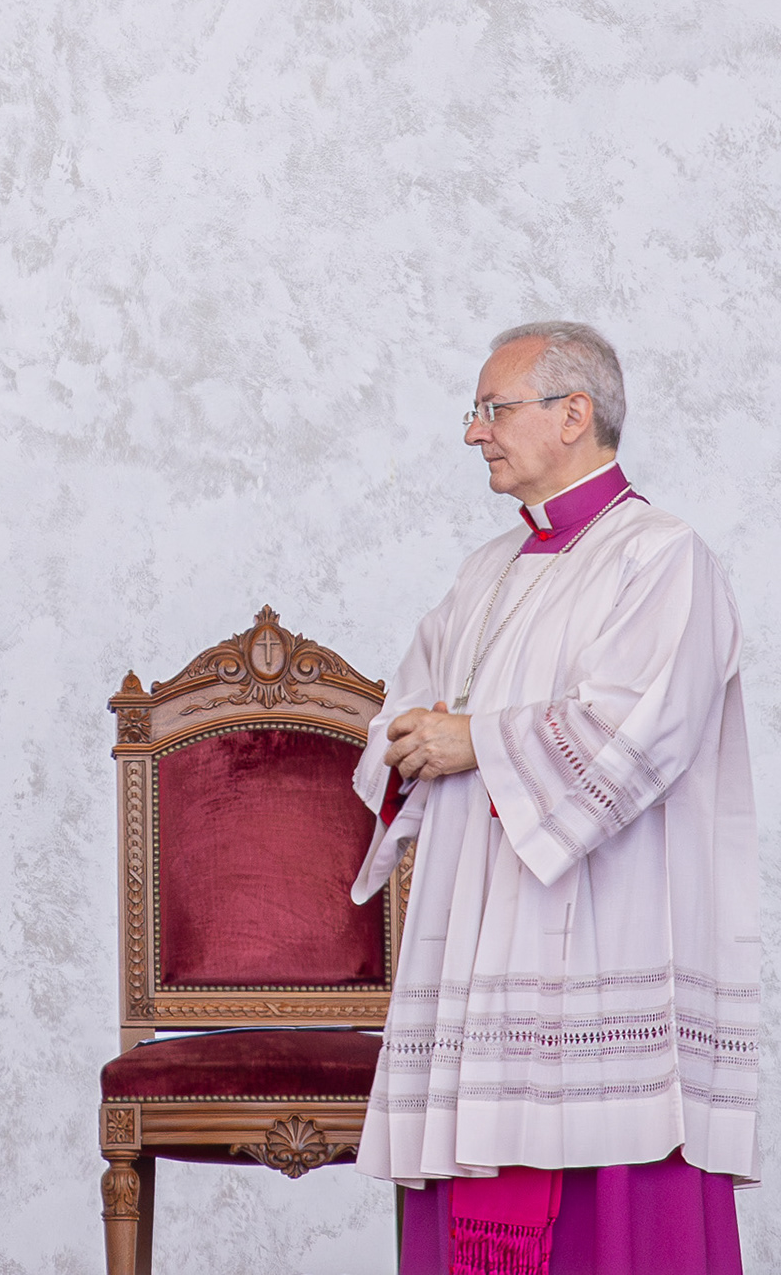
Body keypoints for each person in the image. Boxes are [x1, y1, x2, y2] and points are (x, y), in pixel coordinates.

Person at [350, 323, 759, 1272]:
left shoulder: (662, 558)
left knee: (603, 1189)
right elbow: (402, 708)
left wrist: (475, 740)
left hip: (604, 931)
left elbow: (637, 733)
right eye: (477, 413)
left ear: (575, 413)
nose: (474, 433)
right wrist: (412, 741)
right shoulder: (487, 570)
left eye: (494, 410)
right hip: (476, 931)